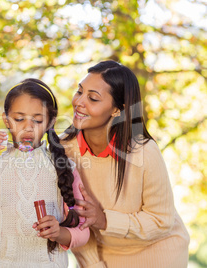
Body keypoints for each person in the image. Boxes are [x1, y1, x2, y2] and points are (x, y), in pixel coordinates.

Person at [61, 60, 190, 267]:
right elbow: (70, 219)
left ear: (117, 110)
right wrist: (94, 265)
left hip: (159, 253)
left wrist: (105, 220)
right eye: (79, 91)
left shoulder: (144, 151)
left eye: (93, 98)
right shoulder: (63, 150)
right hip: (102, 256)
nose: (79, 102)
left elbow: (161, 220)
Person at [0, 78, 90, 267]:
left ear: (50, 122)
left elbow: (84, 231)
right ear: (6, 121)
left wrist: (60, 233)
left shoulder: (65, 168)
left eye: (37, 120)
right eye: (19, 119)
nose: (28, 126)